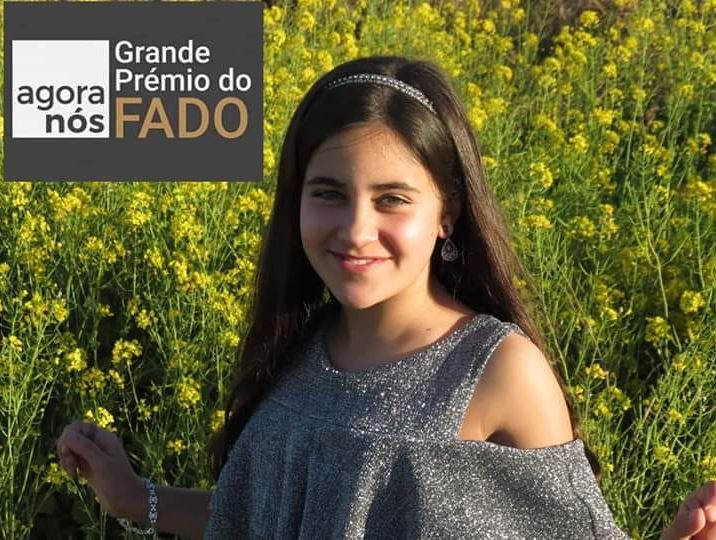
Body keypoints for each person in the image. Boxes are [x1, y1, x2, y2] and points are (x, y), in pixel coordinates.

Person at [57, 56, 716, 539]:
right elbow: (266, 516)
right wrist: (134, 497)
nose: (355, 230)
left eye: (392, 199)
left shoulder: (498, 370)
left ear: (446, 213)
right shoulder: (299, 347)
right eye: (328, 193)